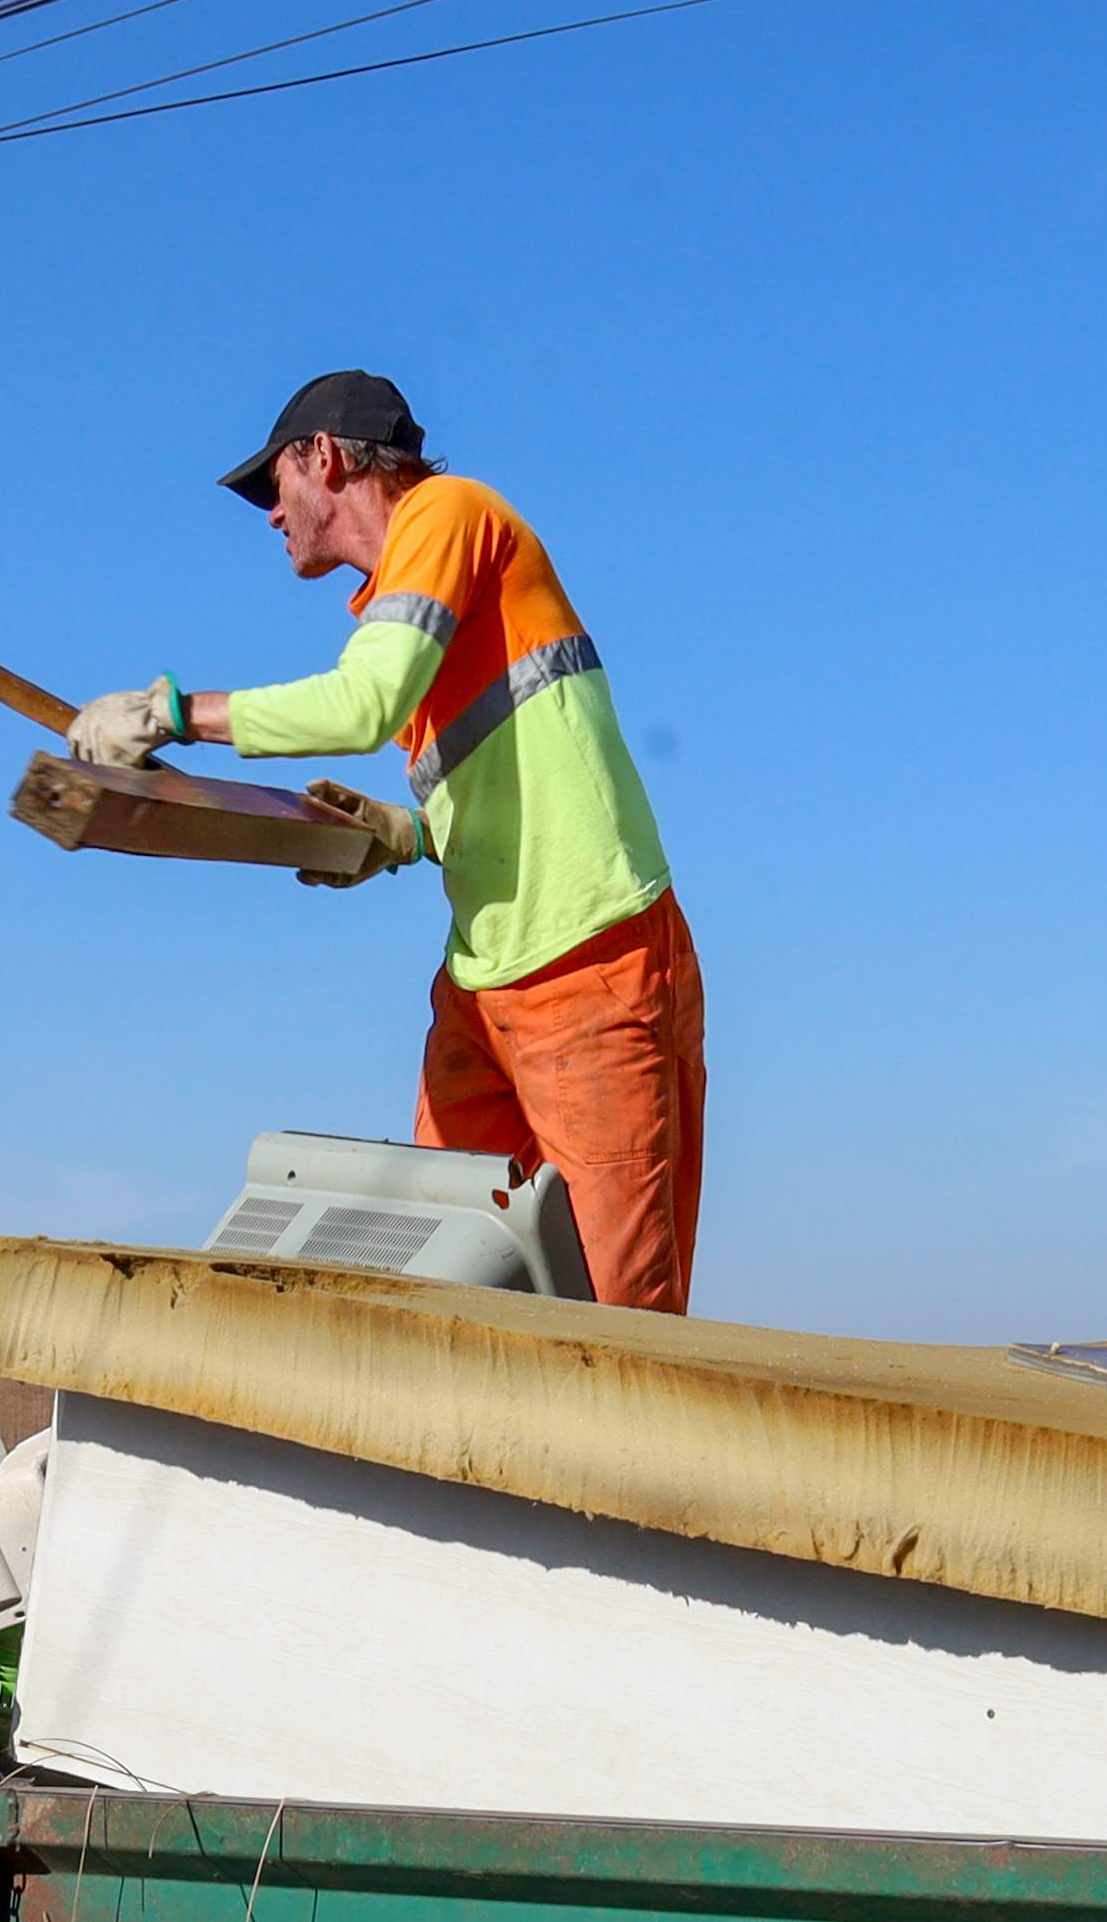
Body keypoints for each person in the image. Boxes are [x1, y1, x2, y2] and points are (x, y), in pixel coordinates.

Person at [73, 372, 706, 1315]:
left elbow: (364, 704)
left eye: (271, 489)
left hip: (590, 964)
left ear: (321, 457)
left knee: (617, 1316)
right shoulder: (412, 594)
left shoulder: (449, 515)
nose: (269, 517)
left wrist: (173, 713)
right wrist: (403, 836)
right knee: (453, 1274)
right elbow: (510, 777)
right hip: (485, 983)